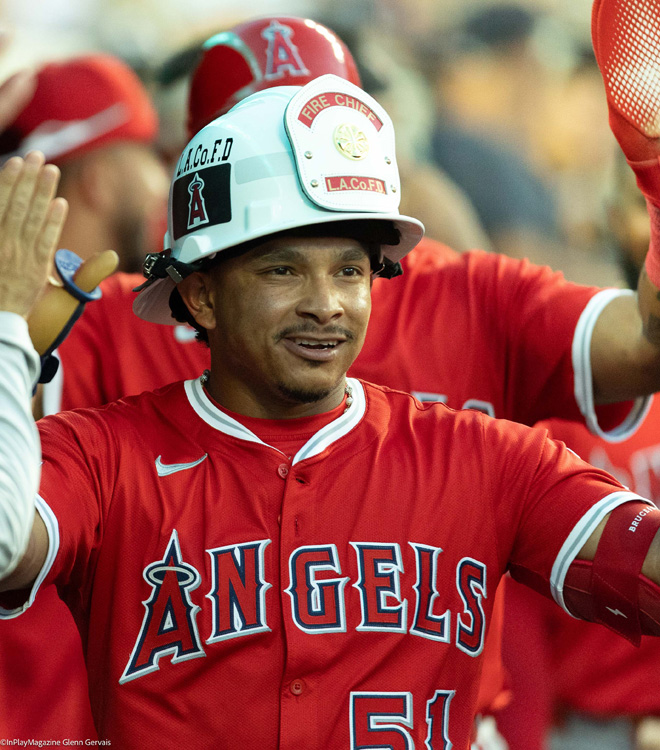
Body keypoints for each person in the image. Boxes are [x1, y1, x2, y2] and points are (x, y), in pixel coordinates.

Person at [3, 71, 660, 750]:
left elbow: (644, 559)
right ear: (201, 295)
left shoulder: (484, 456)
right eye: (283, 270)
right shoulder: (102, 456)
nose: (326, 305)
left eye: (349, 270)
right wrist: (3, 336)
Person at [0, 53, 169, 743]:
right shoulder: (132, 316)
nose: (162, 183)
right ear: (99, 180)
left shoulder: (139, 309)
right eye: (148, 159)